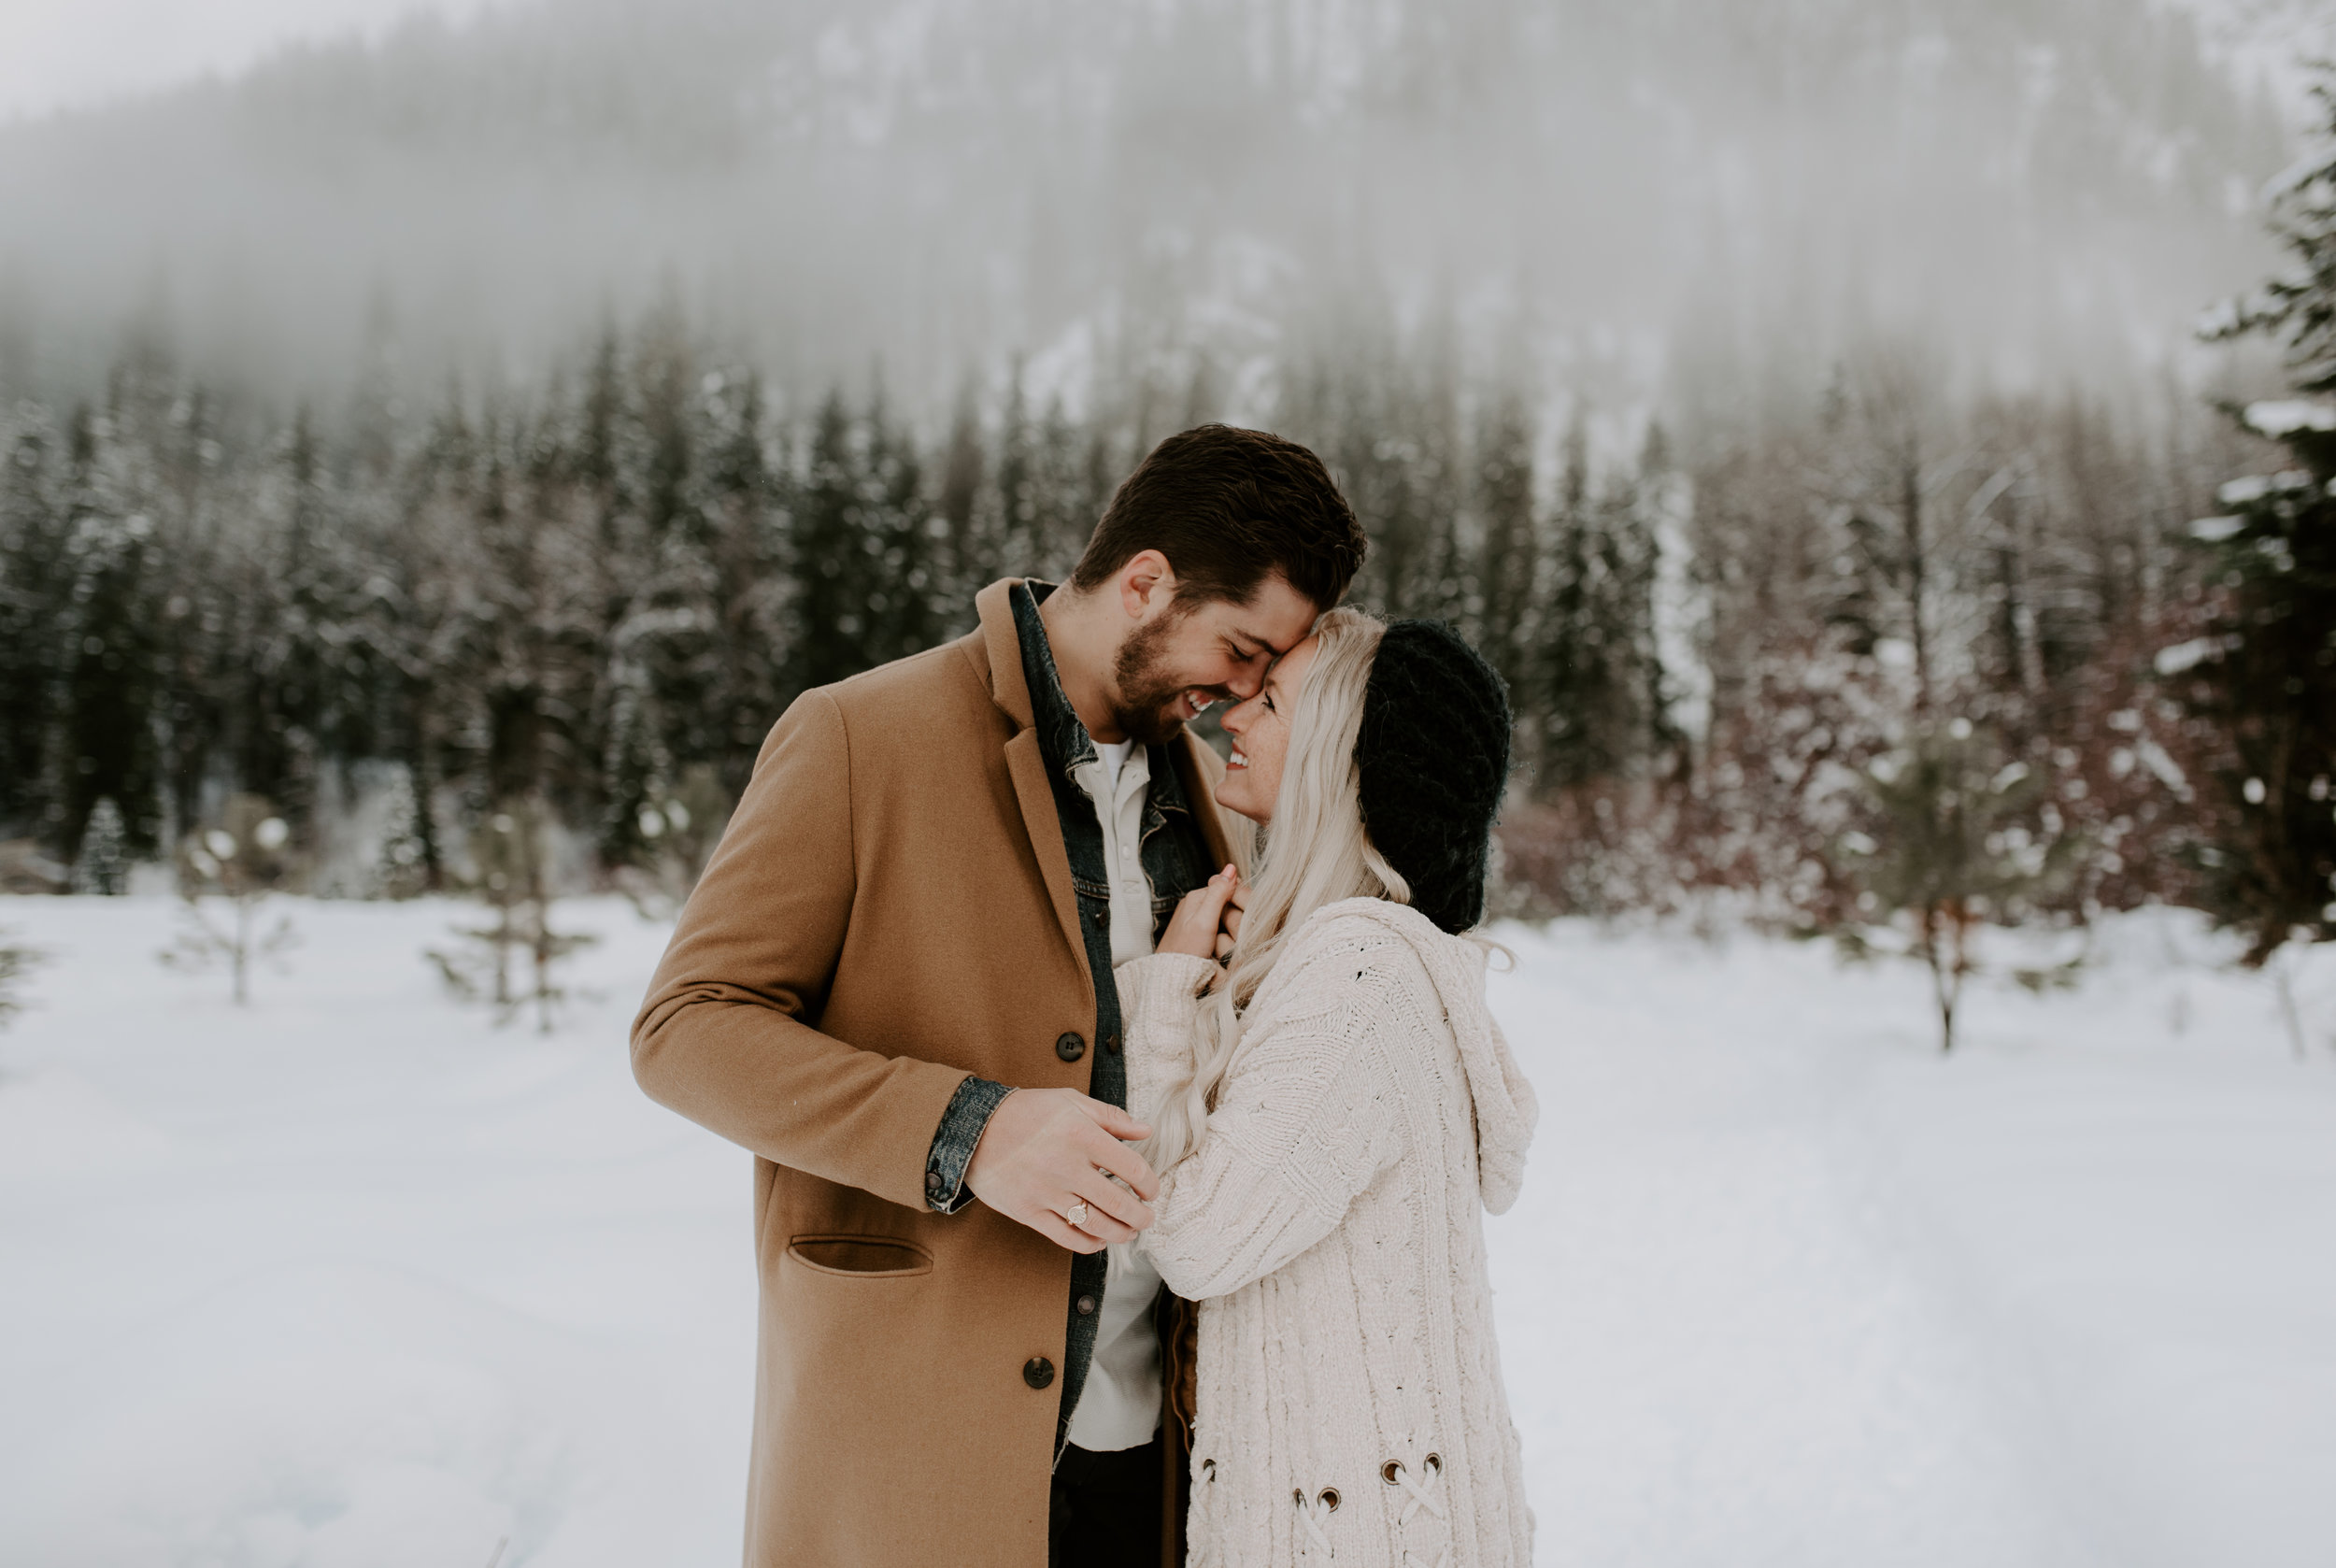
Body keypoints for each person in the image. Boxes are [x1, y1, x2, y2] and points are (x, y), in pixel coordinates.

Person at [629, 423, 1368, 1568]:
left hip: (1156, 1455)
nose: (1240, 696)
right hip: (919, 1447)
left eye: (1264, 675)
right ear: (1145, 583)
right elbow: (685, 1031)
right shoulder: (856, 735)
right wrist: (970, 1130)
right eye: (1238, 648)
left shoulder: (1213, 805)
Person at [1117, 608, 1538, 1567]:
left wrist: (1165, 989)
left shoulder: (1357, 977)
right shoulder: (1363, 962)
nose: (1233, 716)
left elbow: (1194, 1237)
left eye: (1270, 701)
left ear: (1341, 754)